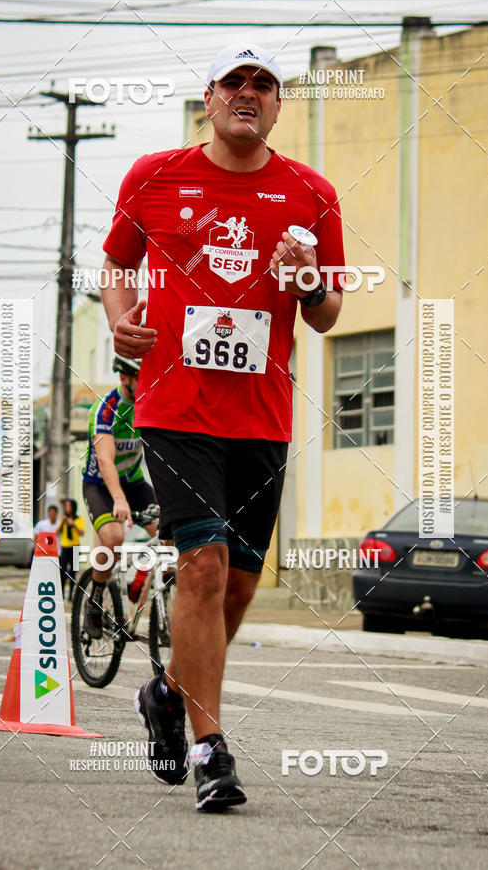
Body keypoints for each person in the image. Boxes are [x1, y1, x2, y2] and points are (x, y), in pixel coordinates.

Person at [100, 43, 344, 812]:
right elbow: (115, 265)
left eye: (263, 84)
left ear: (278, 104)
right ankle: (212, 749)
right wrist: (120, 324)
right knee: (201, 565)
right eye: (234, 82)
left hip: (262, 415)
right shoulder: (154, 176)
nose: (249, 93)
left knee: (238, 583)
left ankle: (169, 694)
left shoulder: (313, 194)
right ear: (209, 97)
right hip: (173, 408)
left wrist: (306, 279)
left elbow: (329, 312)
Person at [81, 355, 157, 639]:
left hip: (135, 482)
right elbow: (105, 459)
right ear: (125, 378)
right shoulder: (106, 408)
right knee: (114, 538)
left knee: (170, 534)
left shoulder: (150, 402)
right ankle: (95, 600)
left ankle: (147, 591)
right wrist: (119, 500)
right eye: (142, 378)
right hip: (99, 484)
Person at [58, 498, 85, 601]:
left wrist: (73, 525)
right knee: (62, 570)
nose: (67, 508)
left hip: (75, 547)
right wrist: (63, 522)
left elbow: (82, 533)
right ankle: (61, 593)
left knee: (73, 571)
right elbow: (57, 532)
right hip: (65, 547)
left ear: (73, 507)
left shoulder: (79, 520)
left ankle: (70, 596)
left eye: (69, 506)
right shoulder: (63, 519)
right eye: (66, 506)